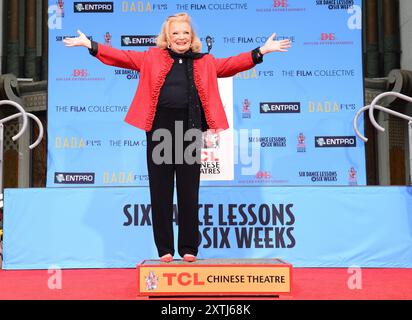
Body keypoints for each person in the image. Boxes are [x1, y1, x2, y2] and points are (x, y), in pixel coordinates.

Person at [63, 12, 291, 263]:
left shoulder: (205, 61)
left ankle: (189, 247)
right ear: (167, 38)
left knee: (188, 190)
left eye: (185, 33)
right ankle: (165, 250)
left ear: (191, 37)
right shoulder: (151, 57)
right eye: (176, 33)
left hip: (190, 128)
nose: (181, 37)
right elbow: (123, 57)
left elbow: (231, 64)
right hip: (159, 128)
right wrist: (91, 45)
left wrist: (261, 51)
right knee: (160, 190)